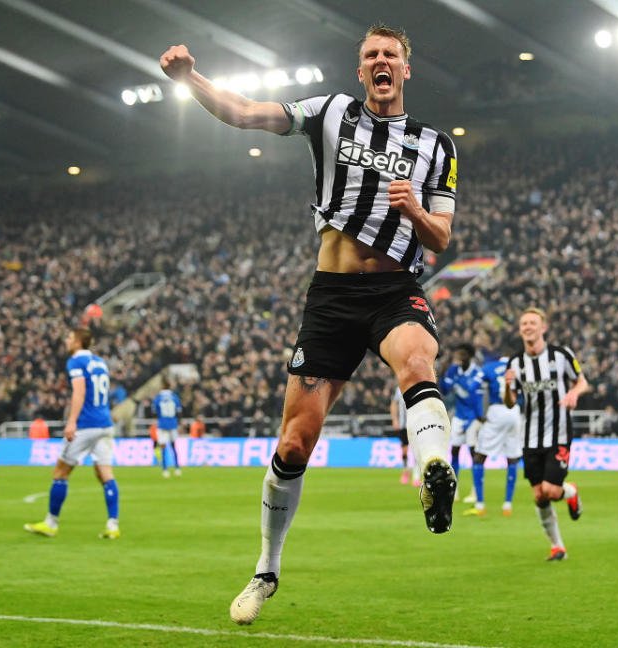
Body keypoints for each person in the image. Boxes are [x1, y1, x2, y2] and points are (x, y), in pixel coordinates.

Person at [161, 22, 459, 625]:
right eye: (371, 54)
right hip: (331, 297)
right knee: (295, 442)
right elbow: (244, 113)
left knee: (418, 359)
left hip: (395, 288)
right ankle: (266, 570)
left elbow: (443, 237)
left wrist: (415, 210)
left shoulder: (437, 146)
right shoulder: (329, 113)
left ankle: (433, 470)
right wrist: (189, 79)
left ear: (405, 70)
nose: (381, 61)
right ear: (361, 71)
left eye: (391, 55)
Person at [504, 308, 589, 561]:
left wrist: (575, 393)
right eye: (524, 323)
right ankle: (557, 547)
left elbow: (582, 381)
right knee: (539, 495)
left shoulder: (561, 356)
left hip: (559, 433)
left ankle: (570, 492)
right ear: (520, 329)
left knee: (552, 491)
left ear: (543, 328)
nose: (528, 326)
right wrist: (507, 387)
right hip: (529, 437)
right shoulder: (515, 363)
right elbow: (510, 403)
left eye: (533, 323)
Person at [25, 327, 120, 539]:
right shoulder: (100, 362)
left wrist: (72, 422)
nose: (66, 340)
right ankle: (113, 525)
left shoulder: (75, 361)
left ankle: (51, 523)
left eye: (69, 337)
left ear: (78, 342)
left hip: (86, 424)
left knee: (60, 471)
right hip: (105, 423)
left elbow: (79, 391)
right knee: (105, 473)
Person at [464, 354, 523, 517]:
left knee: (479, 457)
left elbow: (473, 388)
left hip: (496, 411)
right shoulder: (519, 368)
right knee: (512, 459)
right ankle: (507, 506)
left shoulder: (489, 367)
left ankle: (480, 504)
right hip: (515, 413)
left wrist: (478, 413)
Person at [439, 343, 484, 498]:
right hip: (459, 415)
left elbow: (477, 399)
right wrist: (443, 374)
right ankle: (454, 488)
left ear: (470, 356)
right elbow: (444, 391)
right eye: (457, 355)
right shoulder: (453, 371)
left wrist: (473, 421)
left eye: (462, 355)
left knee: (474, 453)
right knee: (455, 450)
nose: (459, 358)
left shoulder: (477, 373)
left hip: (473, 418)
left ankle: (475, 490)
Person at [390, 383, 420, 486]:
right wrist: (394, 420)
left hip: (416, 424)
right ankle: (406, 469)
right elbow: (394, 404)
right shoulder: (399, 388)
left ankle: (416, 476)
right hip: (403, 425)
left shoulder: (418, 387)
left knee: (417, 450)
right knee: (404, 450)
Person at [152, 378, 183, 478]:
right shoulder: (174, 397)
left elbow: (154, 412)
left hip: (162, 424)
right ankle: (177, 468)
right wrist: (179, 423)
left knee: (163, 448)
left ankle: (165, 470)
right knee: (174, 447)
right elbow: (179, 411)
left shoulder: (158, 398)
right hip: (173, 424)